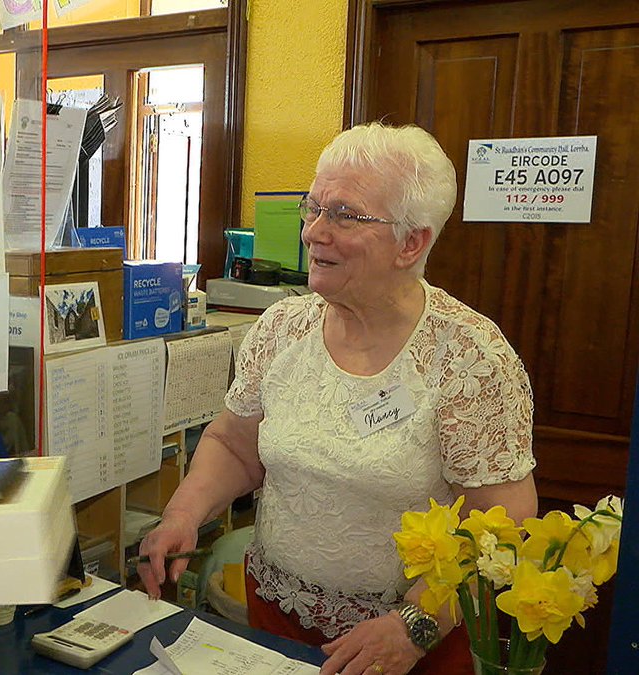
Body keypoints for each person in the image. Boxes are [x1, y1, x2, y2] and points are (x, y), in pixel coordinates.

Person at [138, 122, 538, 675]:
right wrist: (183, 514)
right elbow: (234, 446)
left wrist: (413, 627)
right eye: (314, 207)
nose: (313, 232)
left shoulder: (470, 357)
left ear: (412, 242)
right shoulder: (282, 327)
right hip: (276, 614)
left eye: (344, 215)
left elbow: (504, 521)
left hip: (407, 641)